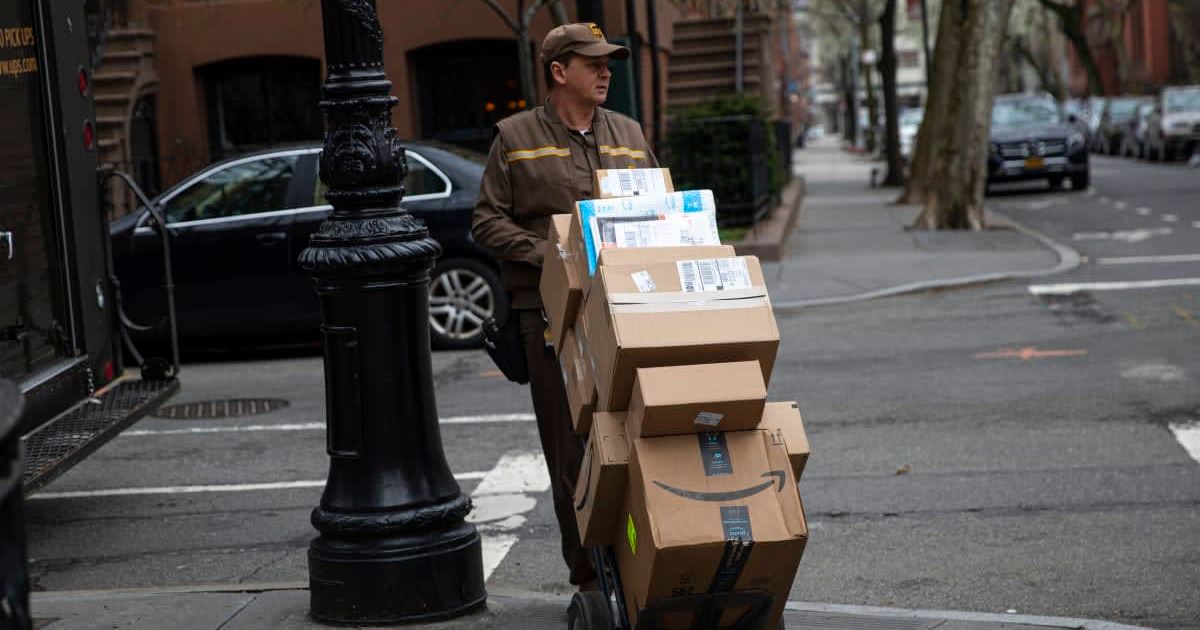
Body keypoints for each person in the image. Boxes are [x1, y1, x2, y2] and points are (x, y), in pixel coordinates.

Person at [472, 22, 658, 590]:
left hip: (628, 311)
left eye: (609, 63)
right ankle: (591, 582)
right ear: (559, 71)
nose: (607, 72)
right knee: (572, 455)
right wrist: (554, 256)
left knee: (635, 441)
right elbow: (485, 220)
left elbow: (662, 207)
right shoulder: (515, 135)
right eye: (593, 63)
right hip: (550, 319)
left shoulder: (628, 132)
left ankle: (641, 564)